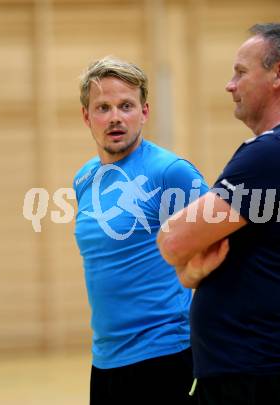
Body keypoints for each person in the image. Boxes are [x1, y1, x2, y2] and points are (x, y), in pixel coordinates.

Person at [157, 23, 280, 405]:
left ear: (279, 73)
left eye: (241, 72)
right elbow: (190, 258)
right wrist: (190, 269)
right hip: (252, 369)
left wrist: (183, 258)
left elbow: (173, 241)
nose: (230, 85)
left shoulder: (276, 152)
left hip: (255, 375)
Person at [73, 56, 208, 404]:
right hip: (105, 361)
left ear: (144, 112)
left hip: (164, 357)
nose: (115, 116)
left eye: (126, 106)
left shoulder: (171, 173)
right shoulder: (84, 179)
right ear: (87, 117)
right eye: (103, 107)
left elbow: (223, 247)